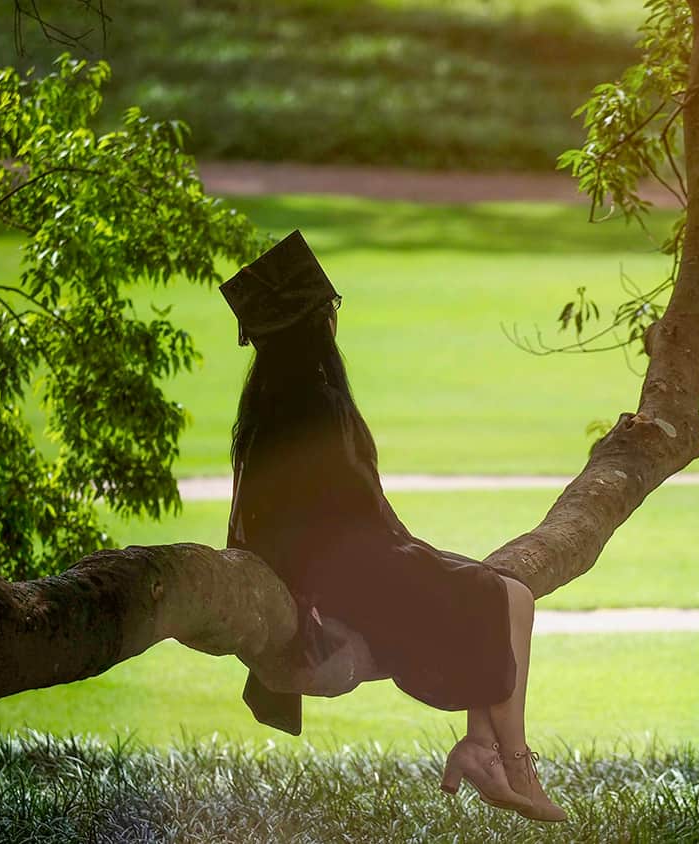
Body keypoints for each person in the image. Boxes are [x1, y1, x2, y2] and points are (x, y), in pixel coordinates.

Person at [220, 231, 566, 823]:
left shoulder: (270, 403)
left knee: (508, 594)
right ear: (316, 326)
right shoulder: (315, 403)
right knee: (501, 595)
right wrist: (404, 558)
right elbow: (348, 517)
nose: (334, 322)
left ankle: (485, 751)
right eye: (329, 312)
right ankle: (511, 761)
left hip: (342, 564)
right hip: (346, 574)